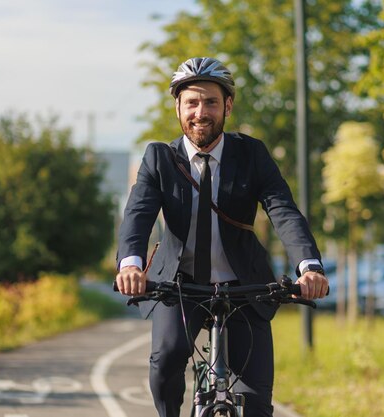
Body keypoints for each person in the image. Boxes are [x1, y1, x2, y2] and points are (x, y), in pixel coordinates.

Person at [115, 57, 329, 417]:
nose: (201, 113)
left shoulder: (252, 154)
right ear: (178, 108)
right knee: (166, 362)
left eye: (211, 102)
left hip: (246, 287)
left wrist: (309, 267)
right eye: (192, 103)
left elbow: (283, 210)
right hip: (179, 288)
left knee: (257, 402)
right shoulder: (159, 159)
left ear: (227, 106)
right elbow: (138, 215)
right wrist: (131, 265)